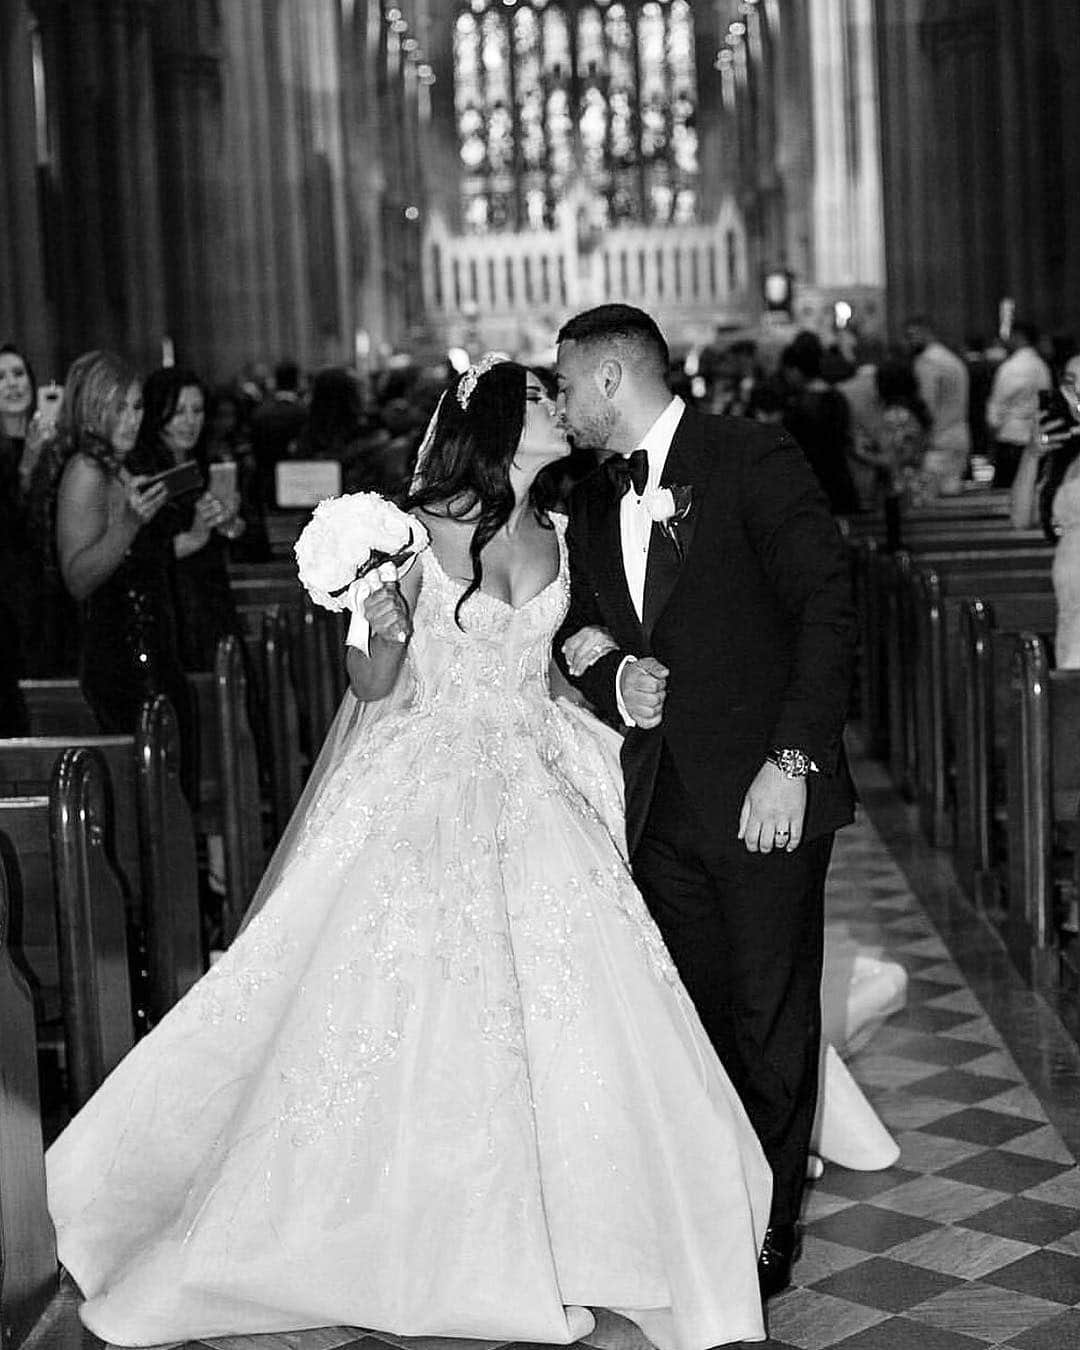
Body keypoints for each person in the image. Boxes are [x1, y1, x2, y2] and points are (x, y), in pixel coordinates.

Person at [46, 357, 772, 1350]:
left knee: (585, 1001)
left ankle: (607, 1226)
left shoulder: (559, 530)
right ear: (504, 426)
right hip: (427, 781)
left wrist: (606, 686)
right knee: (410, 1003)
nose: (564, 413)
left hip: (534, 777)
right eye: (547, 403)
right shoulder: (405, 534)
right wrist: (383, 632)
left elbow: (563, 663)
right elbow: (375, 685)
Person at [552, 304, 857, 1300]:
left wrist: (796, 761)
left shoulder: (747, 456)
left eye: (564, 384)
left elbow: (828, 606)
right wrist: (617, 678)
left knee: (772, 1021)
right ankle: (713, 1200)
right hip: (661, 809)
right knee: (696, 1018)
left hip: (766, 792)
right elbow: (582, 631)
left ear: (609, 376)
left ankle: (768, 1233)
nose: (560, 405)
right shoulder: (596, 500)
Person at [52, 352, 192, 754]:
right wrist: (130, 523)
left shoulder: (117, 467)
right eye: (119, 408)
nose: (132, 419)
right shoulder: (86, 473)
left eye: (137, 406)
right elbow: (77, 578)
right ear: (94, 410)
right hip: (123, 659)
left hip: (152, 649)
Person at [133, 367, 244, 672]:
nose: (190, 421)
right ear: (159, 415)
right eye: (178, 412)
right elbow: (145, 551)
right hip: (171, 603)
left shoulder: (206, 462)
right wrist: (197, 533)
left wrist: (230, 521)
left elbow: (229, 536)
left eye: (196, 410)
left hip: (210, 595)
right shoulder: (142, 472)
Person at [1009, 353, 1080, 666]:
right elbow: (1021, 518)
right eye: (1070, 382)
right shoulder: (1066, 452)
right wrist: (1032, 453)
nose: (1077, 392)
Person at [903, 316, 971, 495]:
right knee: (952, 497)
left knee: (930, 503)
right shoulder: (953, 360)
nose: (908, 341)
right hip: (959, 436)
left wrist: (916, 443)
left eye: (912, 335)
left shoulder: (927, 362)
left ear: (926, 332)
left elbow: (926, 406)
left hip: (938, 441)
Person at [986, 319, 1052, 488]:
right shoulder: (1042, 366)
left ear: (1019, 337)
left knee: (1007, 492)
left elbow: (997, 405)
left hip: (1012, 438)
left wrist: (993, 429)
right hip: (1036, 436)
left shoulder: (1012, 367)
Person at [250, 358, 307, 510]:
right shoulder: (304, 413)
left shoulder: (260, 412)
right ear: (297, 381)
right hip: (300, 488)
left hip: (268, 488)